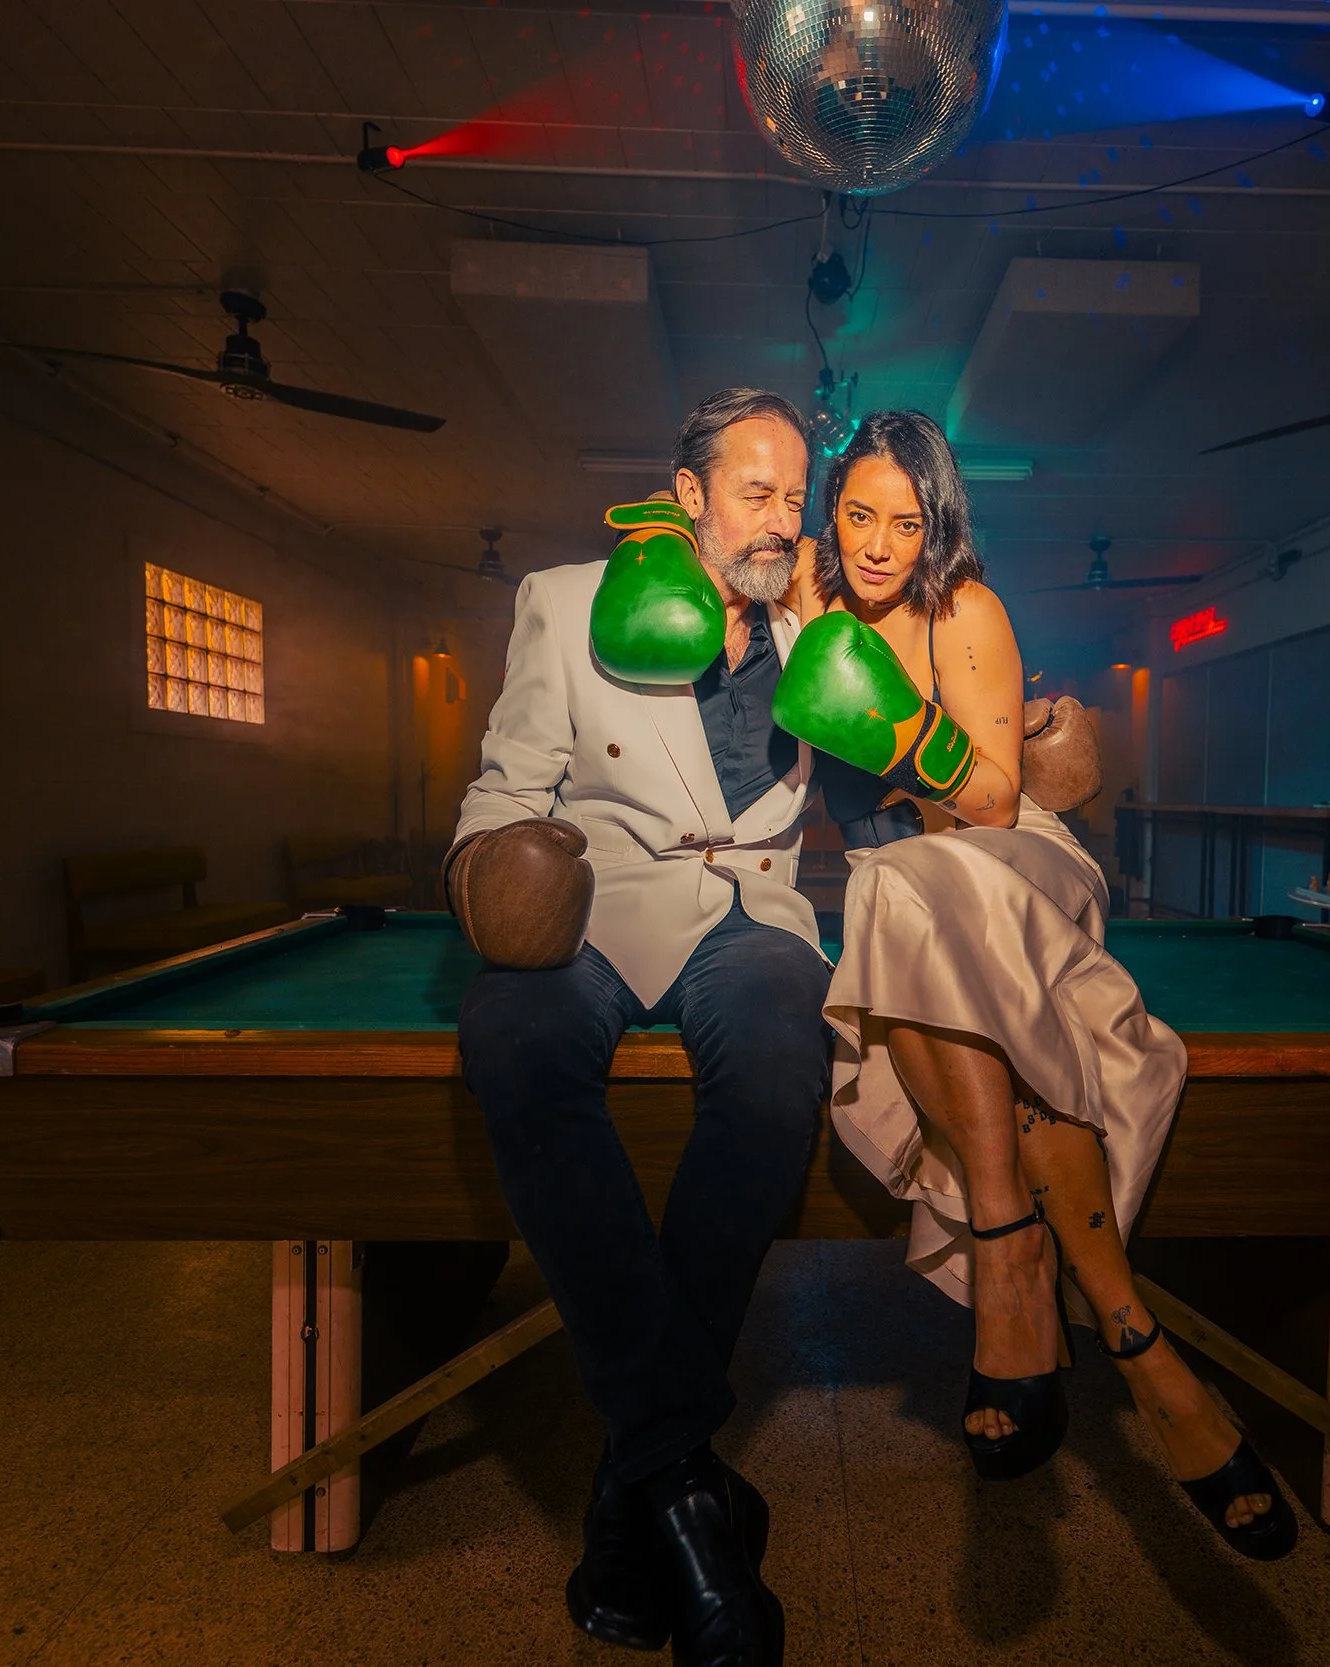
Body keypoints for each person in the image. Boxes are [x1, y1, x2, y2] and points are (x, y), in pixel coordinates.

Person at [773, 409, 1299, 1560]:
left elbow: (1000, 798)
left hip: (1009, 858)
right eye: (857, 513)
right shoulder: (803, 587)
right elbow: (713, 540)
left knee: (901, 893)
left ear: (936, 524)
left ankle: (1010, 1260)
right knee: (896, 901)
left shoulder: (966, 607)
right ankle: (1132, 1332)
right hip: (897, 880)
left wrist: (897, 728)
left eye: (904, 522)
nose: (876, 542)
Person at [447, 388, 828, 1667]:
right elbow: (505, 787)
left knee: (783, 1062)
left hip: (751, 909)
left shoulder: (823, 634)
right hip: (595, 898)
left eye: (794, 494)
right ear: (687, 494)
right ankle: (681, 1485)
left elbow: (905, 767)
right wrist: (487, 872)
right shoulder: (565, 598)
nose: (779, 517)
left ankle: (636, 1493)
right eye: (754, 489)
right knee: (512, 1037)